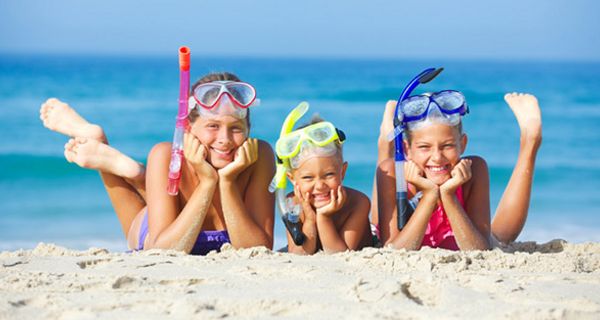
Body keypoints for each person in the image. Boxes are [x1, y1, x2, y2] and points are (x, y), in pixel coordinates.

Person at [40, 72, 275, 255]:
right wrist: (206, 182)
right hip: (157, 234)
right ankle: (103, 148)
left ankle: (137, 174)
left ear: (248, 130)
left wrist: (226, 182)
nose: (224, 139)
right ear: (189, 128)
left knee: (156, 196)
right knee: (140, 223)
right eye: (213, 126)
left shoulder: (259, 156)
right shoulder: (165, 155)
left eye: (236, 128)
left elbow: (257, 249)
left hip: (175, 220)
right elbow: (164, 250)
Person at [374, 69, 542, 250]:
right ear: (408, 149)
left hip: (463, 226)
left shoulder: (474, 169)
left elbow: (480, 250)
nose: (437, 157)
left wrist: (448, 195)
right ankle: (386, 142)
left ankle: (530, 142)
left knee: (500, 239)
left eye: (448, 146)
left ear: (463, 143)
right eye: (424, 147)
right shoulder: (395, 171)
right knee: (378, 222)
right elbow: (394, 251)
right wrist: (429, 196)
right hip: (399, 171)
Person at [272, 103, 372, 254]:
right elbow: (299, 254)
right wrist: (310, 220)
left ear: (342, 172)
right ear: (292, 179)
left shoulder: (358, 203)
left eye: (329, 175)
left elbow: (338, 255)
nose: (319, 186)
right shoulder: (292, 204)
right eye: (307, 177)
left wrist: (323, 217)